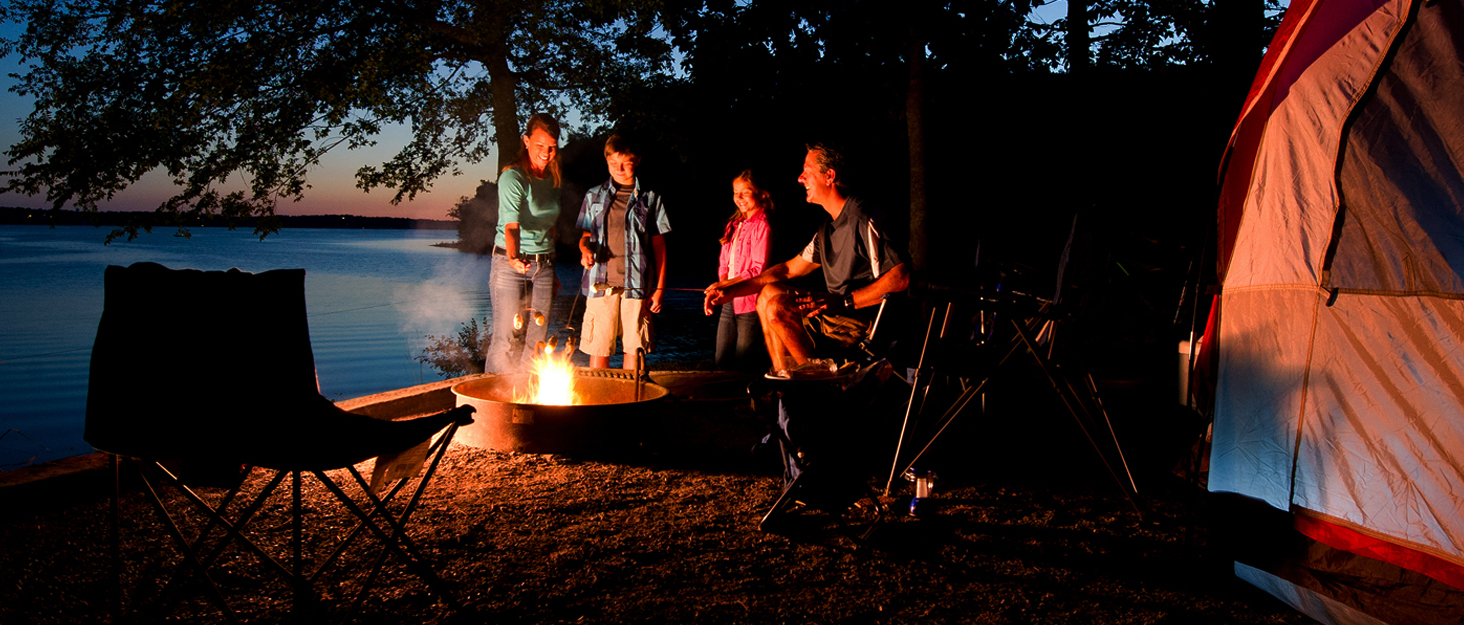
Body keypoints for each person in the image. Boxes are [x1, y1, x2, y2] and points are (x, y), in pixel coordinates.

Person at [705, 143, 910, 375]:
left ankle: (817, 388)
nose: (800, 178)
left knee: (779, 307)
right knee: (769, 294)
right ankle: (786, 384)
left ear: (829, 176)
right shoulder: (827, 229)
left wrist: (844, 302)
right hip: (836, 315)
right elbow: (787, 271)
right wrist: (731, 289)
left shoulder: (864, 216)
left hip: (864, 321)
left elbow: (900, 278)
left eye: (807, 171)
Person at [576, 134, 672, 372]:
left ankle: (633, 398)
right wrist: (583, 249)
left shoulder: (651, 198)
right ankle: (598, 398)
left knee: (635, 346)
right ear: (606, 160)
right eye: (612, 163)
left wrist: (659, 289)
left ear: (637, 160)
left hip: (636, 286)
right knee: (598, 347)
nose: (618, 169)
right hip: (600, 285)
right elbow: (585, 236)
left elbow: (659, 246)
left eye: (625, 163)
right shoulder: (593, 196)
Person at [487, 113, 562, 374]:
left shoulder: (553, 180)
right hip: (511, 264)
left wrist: (551, 270)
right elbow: (511, 225)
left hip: (544, 265)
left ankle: (527, 396)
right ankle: (495, 399)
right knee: (506, 337)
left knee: (538, 339)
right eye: (540, 145)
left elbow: (550, 226)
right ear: (526, 141)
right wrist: (512, 256)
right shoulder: (513, 177)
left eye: (552, 146)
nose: (546, 152)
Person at [705, 170, 773, 372]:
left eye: (746, 192)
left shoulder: (763, 225)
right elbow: (724, 263)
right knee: (721, 359)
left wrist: (727, 285)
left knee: (745, 360)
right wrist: (721, 285)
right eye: (736, 192)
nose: (739, 197)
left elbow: (758, 268)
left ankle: (749, 400)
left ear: (761, 194)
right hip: (730, 301)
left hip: (751, 303)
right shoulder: (733, 225)